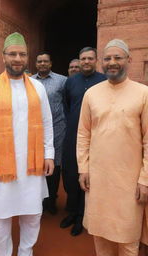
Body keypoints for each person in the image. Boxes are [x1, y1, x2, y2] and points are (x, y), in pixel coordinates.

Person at [0, 32, 54, 256]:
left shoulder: (38, 88)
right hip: (1, 166)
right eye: (13, 54)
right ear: (4, 57)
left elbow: (47, 123)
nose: (17, 58)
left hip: (33, 165)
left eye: (22, 54)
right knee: (1, 216)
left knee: (32, 215)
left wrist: (49, 154)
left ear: (27, 57)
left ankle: (25, 252)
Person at [77, 39, 148, 256]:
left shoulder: (143, 93)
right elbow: (83, 134)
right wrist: (83, 168)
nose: (112, 62)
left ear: (129, 60)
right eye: (107, 58)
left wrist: (145, 180)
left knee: (128, 239)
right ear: (102, 63)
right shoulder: (92, 94)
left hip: (130, 182)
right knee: (101, 236)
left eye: (117, 57)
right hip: (99, 180)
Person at [61, 47, 106, 236]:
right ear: (79, 61)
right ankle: (72, 212)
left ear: (96, 60)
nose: (86, 62)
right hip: (73, 135)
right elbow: (67, 105)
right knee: (71, 175)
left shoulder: (103, 81)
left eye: (89, 58)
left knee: (89, 176)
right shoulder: (71, 82)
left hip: (96, 136)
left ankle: (82, 216)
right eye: (83, 59)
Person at [32, 53, 67, 214]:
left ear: (51, 63)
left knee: (54, 166)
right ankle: (37, 201)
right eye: (40, 61)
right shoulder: (29, 81)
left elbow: (68, 103)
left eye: (46, 61)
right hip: (34, 132)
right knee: (36, 167)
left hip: (58, 131)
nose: (42, 64)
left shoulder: (62, 81)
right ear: (36, 64)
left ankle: (51, 200)